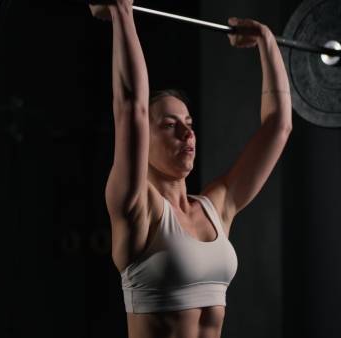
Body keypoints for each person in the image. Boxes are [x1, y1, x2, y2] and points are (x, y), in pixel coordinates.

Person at [90, 1, 292, 337]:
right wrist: (121, 12)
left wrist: (266, 41)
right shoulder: (137, 208)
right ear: (144, 138)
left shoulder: (218, 206)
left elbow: (278, 127)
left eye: (189, 123)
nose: (187, 134)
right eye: (170, 125)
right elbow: (131, 108)